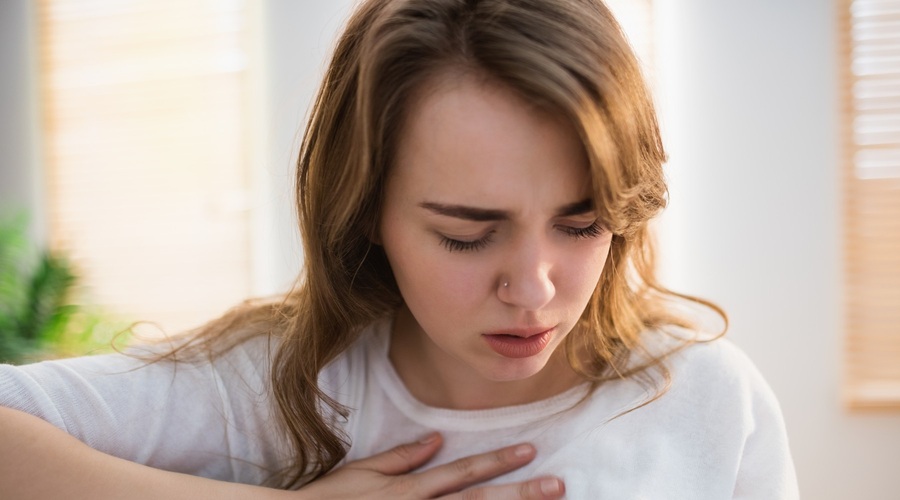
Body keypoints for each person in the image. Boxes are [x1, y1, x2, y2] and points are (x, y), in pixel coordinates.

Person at [0, 0, 799, 498]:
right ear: (366, 213)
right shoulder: (279, 382)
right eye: (466, 234)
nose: (532, 288)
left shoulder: (705, 398)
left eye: (581, 224)